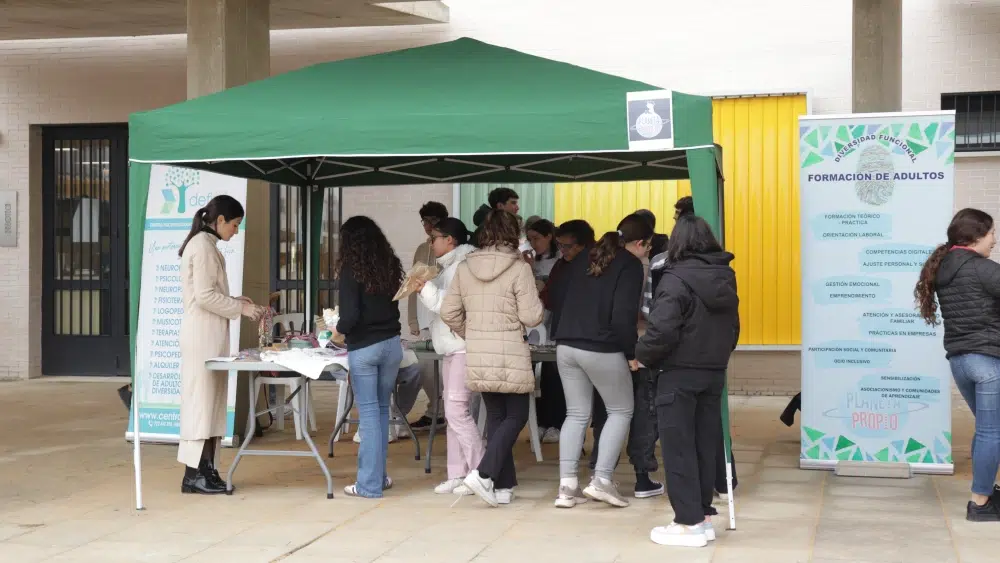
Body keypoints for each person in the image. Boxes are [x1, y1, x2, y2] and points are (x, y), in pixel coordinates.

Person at [637, 213, 739, 548]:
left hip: (678, 373)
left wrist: (644, 354)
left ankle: (688, 521)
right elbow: (733, 328)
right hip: (712, 372)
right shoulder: (725, 276)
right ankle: (703, 516)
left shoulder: (675, 277)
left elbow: (661, 328)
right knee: (703, 445)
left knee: (678, 448)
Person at [441, 210, 544, 507]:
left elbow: (449, 312)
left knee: (498, 419)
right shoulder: (518, 267)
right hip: (511, 348)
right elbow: (532, 316)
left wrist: (471, 333)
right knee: (517, 416)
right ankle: (484, 472)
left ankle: (503, 485)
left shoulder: (465, 267)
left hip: (478, 350)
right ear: (513, 233)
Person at [551, 214, 650, 509]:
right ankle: (602, 480)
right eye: (649, 246)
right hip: (601, 347)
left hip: (566, 344)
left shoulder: (587, 257)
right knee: (621, 410)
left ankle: (567, 487)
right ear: (641, 242)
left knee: (576, 414)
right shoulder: (630, 265)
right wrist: (632, 354)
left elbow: (558, 295)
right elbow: (623, 317)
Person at [915, 208, 1000, 521]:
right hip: (988, 361)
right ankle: (980, 503)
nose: (994, 240)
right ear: (976, 237)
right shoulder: (982, 268)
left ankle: (987, 491)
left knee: (989, 429)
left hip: (961, 361)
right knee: (993, 432)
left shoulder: (944, 266)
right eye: (991, 233)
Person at [177, 195, 264, 494]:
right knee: (202, 405)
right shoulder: (201, 246)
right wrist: (241, 309)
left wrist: (236, 301)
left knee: (212, 404)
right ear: (221, 220)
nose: (236, 231)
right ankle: (196, 474)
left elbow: (210, 293)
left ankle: (206, 472)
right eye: (235, 225)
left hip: (210, 334)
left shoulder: (207, 245)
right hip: (201, 336)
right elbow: (203, 296)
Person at [590, 211, 664, 500]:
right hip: (638, 348)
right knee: (642, 414)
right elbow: (642, 311)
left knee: (603, 412)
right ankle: (642, 477)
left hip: (605, 347)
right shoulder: (642, 265)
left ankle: (598, 469)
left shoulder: (601, 263)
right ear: (642, 243)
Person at [333, 216, 405, 498]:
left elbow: (349, 317)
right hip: (391, 344)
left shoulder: (352, 269)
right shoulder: (389, 265)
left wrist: (336, 333)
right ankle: (380, 477)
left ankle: (369, 485)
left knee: (370, 415)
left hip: (365, 347)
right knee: (382, 411)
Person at [414, 217, 485, 494]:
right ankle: (458, 472)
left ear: (450, 240)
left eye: (434, 238)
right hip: (450, 346)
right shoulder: (450, 265)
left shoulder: (462, 266)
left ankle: (479, 471)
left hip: (462, 346)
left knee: (457, 412)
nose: (430, 244)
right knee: (454, 412)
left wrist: (424, 288)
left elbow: (448, 306)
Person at [406, 201, 449, 432]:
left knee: (444, 369)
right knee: (424, 366)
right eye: (425, 221)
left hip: (444, 316)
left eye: (433, 220)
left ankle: (442, 412)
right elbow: (413, 283)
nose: (428, 225)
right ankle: (436, 410)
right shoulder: (422, 249)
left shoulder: (450, 248)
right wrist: (412, 318)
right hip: (424, 316)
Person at [523, 218, 563, 444]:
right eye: (529, 239)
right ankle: (538, 422)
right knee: (533, 375)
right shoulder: (531, 261)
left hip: (554, 325)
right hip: (534, 327)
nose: (533, 243)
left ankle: (555, 423)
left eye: (536, 238)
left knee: (553, 376)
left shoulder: (558, 260)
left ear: (549, 236)